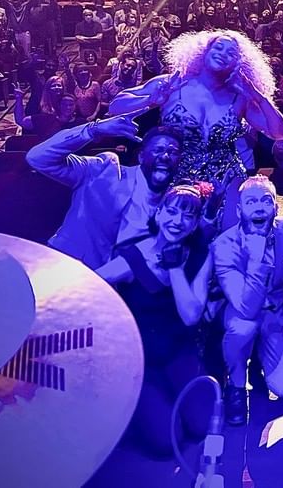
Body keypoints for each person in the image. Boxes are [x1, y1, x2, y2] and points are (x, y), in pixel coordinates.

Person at [108, 30, 283, 232]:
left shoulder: (240, 98)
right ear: (204, 51)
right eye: (218, 47)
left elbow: (280, 133)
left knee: (228, 239)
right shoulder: (173, 83)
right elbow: (115, 106)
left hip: (225, 179)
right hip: (173, 174)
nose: (223, 54)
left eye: (231, 53)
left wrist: (257, 95)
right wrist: (150, 100)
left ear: (239, 63)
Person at [97, 183, 213, 456]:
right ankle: (133, 407)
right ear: (158, 214)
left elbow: (191, 316)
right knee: (165, 443)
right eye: (171, 212)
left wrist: (175, 267)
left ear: (195, 224)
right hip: (141, 359)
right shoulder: (133, 256)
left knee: (200, 427)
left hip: (179, 352)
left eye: (188, 216)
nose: (178, 221)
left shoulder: (201, 256)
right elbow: (92, 284)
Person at [213, 175, 283, 426]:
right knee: (243, 329)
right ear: (239, 210)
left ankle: (262, 357)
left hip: (276, 315)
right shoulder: (224, 245)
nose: (259, 207)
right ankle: (236, 385)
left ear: (276, 207)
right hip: (241, 316)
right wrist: (256, 260)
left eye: (265, 201)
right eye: (251, 202)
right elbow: (245, 308)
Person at [27, 118, 183, 269]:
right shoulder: (106, 169)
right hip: (63, 267)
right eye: (158, 150)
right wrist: (93, 130)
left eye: (173, 152)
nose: (165, 156)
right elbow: (37, 158)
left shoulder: (175, 206)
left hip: (112, 283)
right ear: (141, 156)